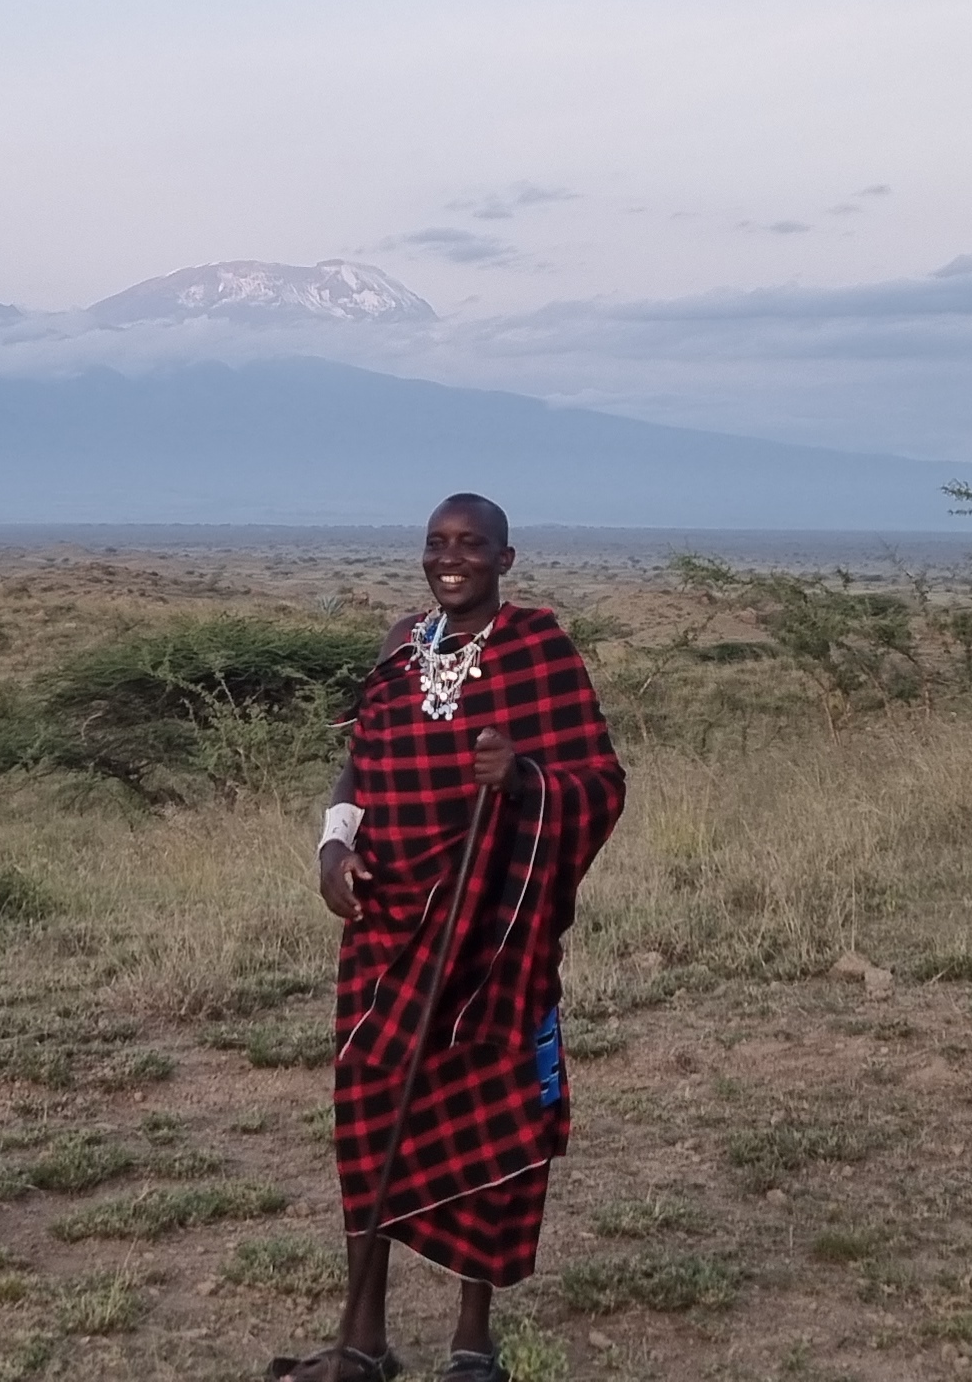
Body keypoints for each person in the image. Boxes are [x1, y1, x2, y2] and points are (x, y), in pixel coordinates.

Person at [275, 495, 627, 1382]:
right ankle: (363, 1342)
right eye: (437, 543)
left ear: (505, 559)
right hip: (386, 926)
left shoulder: (538, 649)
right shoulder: (401, 645)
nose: (450, 557)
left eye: (471, 544)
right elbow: (359, 764)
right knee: (368, 1118)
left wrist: (525, 777)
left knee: (491, 1118)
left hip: (491, 934)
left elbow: (600, 782)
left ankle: (473, 1340)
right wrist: (334, 845)